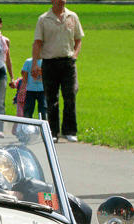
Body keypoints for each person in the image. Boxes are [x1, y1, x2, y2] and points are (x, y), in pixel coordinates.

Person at [31, 0, 83, 143]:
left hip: (68, 62)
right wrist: (35, 64)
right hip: (50, 62)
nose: (61, 1)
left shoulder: (72, 16)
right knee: (51, 99)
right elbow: (37, 42)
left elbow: (78, 39)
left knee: (70, 95)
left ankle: (70, 130)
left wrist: (74, 55)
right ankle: (53, 132)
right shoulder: (43, 19)